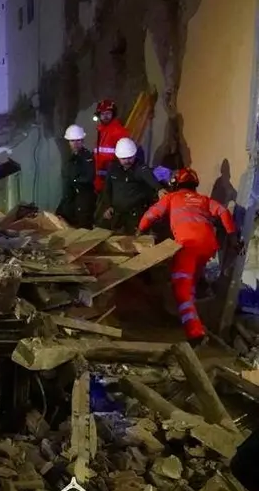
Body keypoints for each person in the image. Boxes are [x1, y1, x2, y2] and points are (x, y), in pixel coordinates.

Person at [138, 168, 241, 344]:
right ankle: (199, 319)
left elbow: (151, 215)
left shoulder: (171, 198)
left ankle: (195, 333)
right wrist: (232, 237)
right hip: (208, 246)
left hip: (187, 246)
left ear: (175, 184)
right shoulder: (203, 199)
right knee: (192, 281)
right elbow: (223, 212)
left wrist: (139, 231)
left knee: (182, 289)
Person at [100, 137, 164, 234]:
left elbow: (149, 177)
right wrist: (107, 206)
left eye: (130, 158)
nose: (127, 161)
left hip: (135, 217)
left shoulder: (140, 168)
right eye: (124, 159)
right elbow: (107, 189)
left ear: (134, 155)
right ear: (118, 157)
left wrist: (159, 189)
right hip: (118, 216)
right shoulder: (113, 169)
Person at [56, 124, 96, 229]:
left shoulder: (87, 157)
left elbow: (89, 177)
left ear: (82, 141)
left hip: (83, 200)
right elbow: (67, 184)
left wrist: (74, 181)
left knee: (84, 229)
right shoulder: (71, 158)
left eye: (78, 140)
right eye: (72, 141)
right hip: (72, 200)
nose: (75, 143)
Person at [93, 98, 130, 193]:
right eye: (103, 114)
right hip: (101, 178)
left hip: (112, 178)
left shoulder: (119, 131)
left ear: (113, 114)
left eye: (108, 113)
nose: (105, 116)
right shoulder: (100, 130)